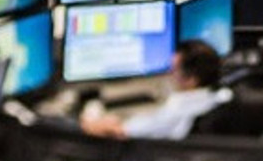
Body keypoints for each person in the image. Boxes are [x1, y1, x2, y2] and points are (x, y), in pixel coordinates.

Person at [80, 40, 227, 140]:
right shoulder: (219, 97)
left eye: (174, 70)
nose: (170, 74)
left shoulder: (178, 108)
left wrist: (90, 116)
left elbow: (118, 132)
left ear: (191, 80)